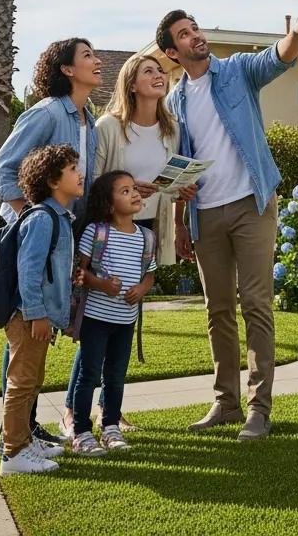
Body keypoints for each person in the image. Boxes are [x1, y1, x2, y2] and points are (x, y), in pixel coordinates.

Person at [159, 4, 298, 441]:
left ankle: (259, 408)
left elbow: (276, 57)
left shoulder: (236, 72)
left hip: (251, 202)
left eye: (195, 28)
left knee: (255, 303)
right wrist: (179, 221)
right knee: (217, 310)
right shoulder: (173, 101)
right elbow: (180, 164)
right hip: (204, 213)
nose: (195, 36)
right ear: (172, 52)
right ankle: (225, 402)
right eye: (184, 33)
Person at [59, 52, 195, 437]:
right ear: (131, 83)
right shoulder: (109, 126)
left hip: (148, 227)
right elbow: (94, 183)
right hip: (107, 232)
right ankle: (72, 410)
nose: (158, 76)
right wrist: (131, 188)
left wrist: (180, 209)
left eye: (160, 72)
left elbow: (174, 181)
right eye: (148, 71)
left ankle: (109, 411)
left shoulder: (172, 129)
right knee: (96, 320)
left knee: (124, 313)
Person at [0, 37, 101, 450]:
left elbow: (84, 183)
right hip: (37, 235)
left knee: (38, 339)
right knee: (25, 333)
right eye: (87, 56)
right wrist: (34, 219)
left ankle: (24, 430)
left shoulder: (87, 117)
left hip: (62, 235)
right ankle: (16, 435)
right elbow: (2, 168)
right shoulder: (48, 112)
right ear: (67, 70)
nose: (96, 61)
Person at [0, 144, 80, 476]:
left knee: (31, 381)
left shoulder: (59, 218)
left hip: (38, 315)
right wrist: (36, 313)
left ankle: (22, 439)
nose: (80, 174)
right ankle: (13, 453)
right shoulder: (43, 218)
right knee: (21, 382)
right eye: (72, 169)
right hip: (28, 316)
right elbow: (28, 271)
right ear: (52, 180)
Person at [69, 170, 156, 455]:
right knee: (89, 374)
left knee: (116, 375)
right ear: (108, 204)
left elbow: (150, 276)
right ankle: (81, 432)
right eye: (125, 191)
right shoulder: (97, 232)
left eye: (134, 189)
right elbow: (80, 272)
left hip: (125, 320)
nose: (134, 194)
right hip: (96, 318)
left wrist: (141, 289)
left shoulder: (146, 237)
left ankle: (110, 427)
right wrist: (101, 284)